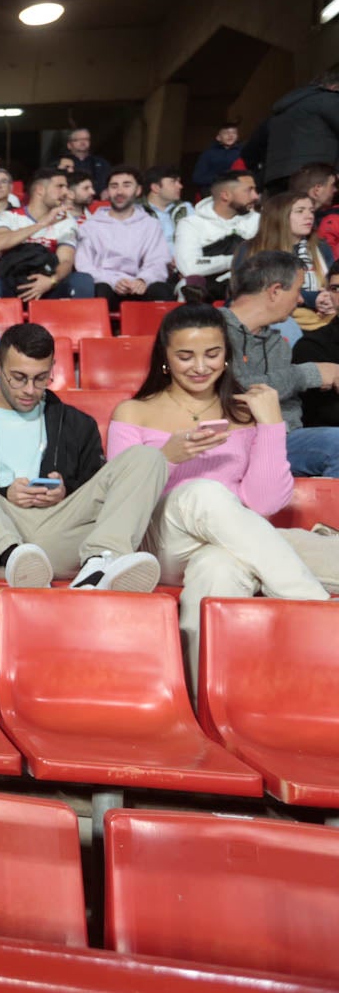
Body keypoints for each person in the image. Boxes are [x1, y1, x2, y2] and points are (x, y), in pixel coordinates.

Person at [107, 303, 338, 676]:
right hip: (158, 540)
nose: (201, 367)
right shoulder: (133, 412)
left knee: (219, 566)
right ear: (165, 358)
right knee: (202, 493)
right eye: (186, 356)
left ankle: (213, 701)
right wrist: (167, 457)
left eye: (212, 354)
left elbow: (262, 504)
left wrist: (271, 425)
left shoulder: (244, 413)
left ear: (227, 356)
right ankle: (316, 608)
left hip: (231, 539)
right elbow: (119, 502)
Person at [0, 322, 166, 589]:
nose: (30, 389)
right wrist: (5, 493)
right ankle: (12, 554)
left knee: (147, 457)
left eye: (40, 378)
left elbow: (96, 495)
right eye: (18, 377)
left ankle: (99, 565)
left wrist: (65, 492)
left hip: (59, 532)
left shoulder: (77, 424)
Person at [221, 250, 339, 478]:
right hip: (234, 438)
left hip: (285, 439)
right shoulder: (210, 331)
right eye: (298, 290)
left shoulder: (276, 341)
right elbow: (230, 390)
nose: (301, 299)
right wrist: (310, 374)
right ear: (275, 291)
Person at [0, 168, 93, 301]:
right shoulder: (8, 217)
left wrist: (51, 281)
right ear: (40, 189)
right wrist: (42, 224)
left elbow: (66, 261)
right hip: (11, 281)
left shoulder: (66, 222)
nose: (66, 192)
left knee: (83, 280)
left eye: (66, 187)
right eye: (60, 186)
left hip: (48, 282)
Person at [76, 164, 174, 311]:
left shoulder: (150, 225)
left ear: (138, 190)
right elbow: (84, 265)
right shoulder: (91, 226)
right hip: (106, 284)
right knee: (99, 290)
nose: (119, 192)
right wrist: (114, 281)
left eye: (126, 185)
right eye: (114, 186)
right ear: (108, 191)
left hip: (140, 285)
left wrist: (143, 279)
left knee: (162, 290)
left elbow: (158, 261)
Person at [232, 191, 336, 325]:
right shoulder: (251, 248)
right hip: (274, 320)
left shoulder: (321, 246)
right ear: (279, 216)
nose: (309, 216)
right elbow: (247, 291)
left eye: (311, 211)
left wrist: (331, 298)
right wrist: (311, 298)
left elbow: (334, 282)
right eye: (300, 211)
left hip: (324, 317)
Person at [240, 66, 339, 193]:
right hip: (316, 178)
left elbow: (249, 152)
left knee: (283, 212)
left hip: (275, 180)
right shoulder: (330, 100)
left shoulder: (280, 114)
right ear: (334, 87)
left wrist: (262, 174)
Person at [176, 171, 261, 299]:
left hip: (249, 288)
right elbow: (190, 267)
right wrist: (236, 260)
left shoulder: (259, 221)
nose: (255, 196)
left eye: (255, 190)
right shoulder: (191, 224)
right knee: (188, 285)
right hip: (205, 292)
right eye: (249, 190)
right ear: (225, 195)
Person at [141, 164, 189, 257]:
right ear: (156, 187)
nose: (180, 186)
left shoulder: (185, 208)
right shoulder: (137, 211)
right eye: (173, 182)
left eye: (179, 181)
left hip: (185, 265)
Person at [63, 127, 111, 196]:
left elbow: (109, 183)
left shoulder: (102, 163)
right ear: (69, 145)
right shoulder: (61, 163)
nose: (82, 142)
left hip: (97, 202)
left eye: (86, 139)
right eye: (77, 140)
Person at [193, 123, 243, 189]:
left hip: (237, 189)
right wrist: (221, 179)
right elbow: (197, 178)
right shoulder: (208, 154)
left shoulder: (243, 152)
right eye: (226, 133)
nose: (230, 135)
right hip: (213, 190)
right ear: (218, 137)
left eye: (234, 133)